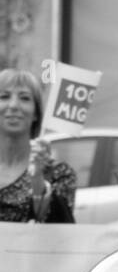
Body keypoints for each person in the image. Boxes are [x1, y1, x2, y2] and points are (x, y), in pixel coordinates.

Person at [0, 68, 76, 223]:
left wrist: (37, 179)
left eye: (25, 98)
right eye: (4, 96)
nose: (13, 105)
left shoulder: (58, 173)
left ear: (36, 113)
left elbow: (61, 231)